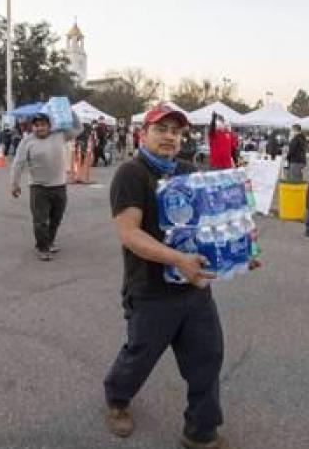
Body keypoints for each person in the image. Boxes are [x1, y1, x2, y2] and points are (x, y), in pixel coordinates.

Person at [103, 103, 255, 449]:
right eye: (162, 129)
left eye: (176, 131)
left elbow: (207, 226)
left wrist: (241, 253)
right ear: (144, 133)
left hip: (193, 287)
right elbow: (129, 233)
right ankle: (117, 398)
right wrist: (176, 259)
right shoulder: (132, 173)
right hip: (150, 290)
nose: (170, 137)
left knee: (207, 356)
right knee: (139, 355)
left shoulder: (187, 171)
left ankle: (201, 432)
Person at [10, 112, 82, 261]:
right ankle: (42, 247)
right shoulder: (27, 141)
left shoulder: (59, 135)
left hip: (59, 185)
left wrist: (71, 111)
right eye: (36, 125)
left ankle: (49, 241)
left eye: (43, 125)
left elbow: (79, 129)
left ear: (49, 126)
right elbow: (18, 163)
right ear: (32, 127)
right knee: (40, 220)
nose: (39, 128)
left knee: (56, 218)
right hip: (38, 187)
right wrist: (14, 183)